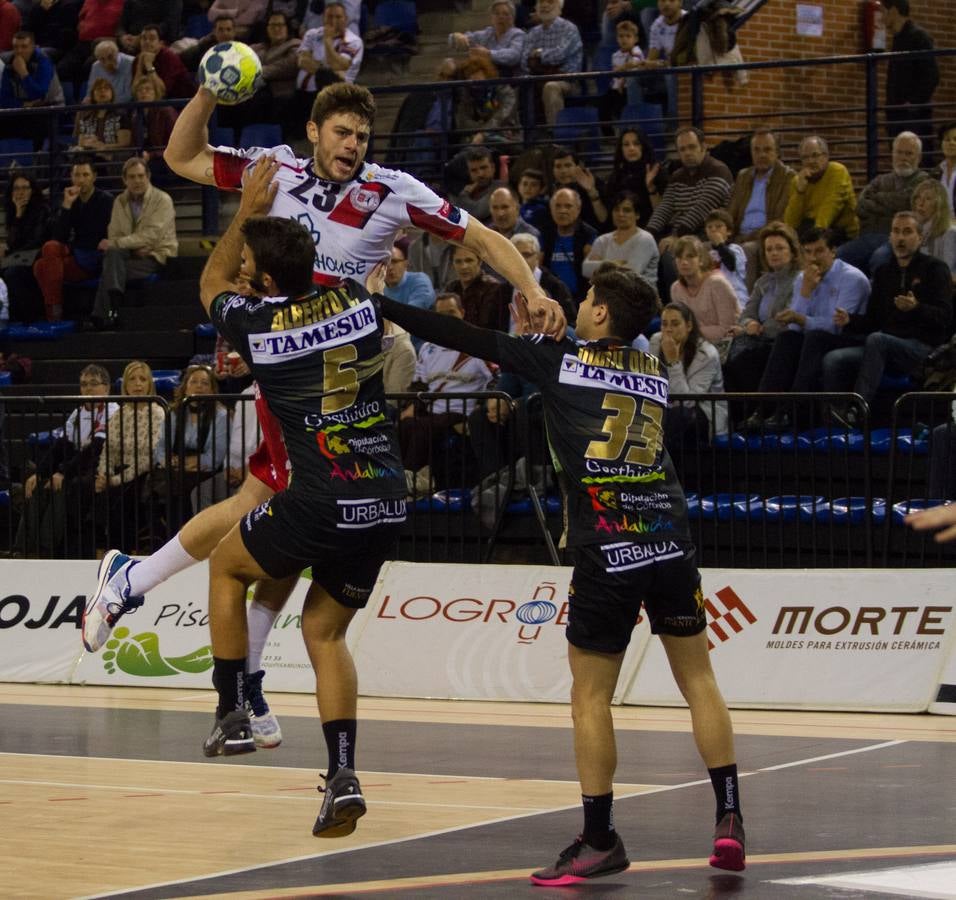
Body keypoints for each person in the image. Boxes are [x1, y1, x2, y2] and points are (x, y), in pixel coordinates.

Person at [82, 80, 565, 741]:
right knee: (277, 498)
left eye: (362, 136)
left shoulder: (392, 189)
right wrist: (205, 91)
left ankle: (157, 598)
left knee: (281, 506)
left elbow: (481, 234)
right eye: (342, 132)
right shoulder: (273, 167)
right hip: (292, 363)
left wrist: (531, 286)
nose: (353, 145)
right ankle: (173, 615)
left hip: (341, 368)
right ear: (314, 131)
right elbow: (181, 158)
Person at [376, 266, 746, 884]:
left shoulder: (559, 360)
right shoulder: (652, 370)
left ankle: (599, 839)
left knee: (590, 697)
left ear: (600, 314)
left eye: (588, 301)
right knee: (700, 680)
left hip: (607, 546)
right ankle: (729, 819)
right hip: (669, 538)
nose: (578, 307)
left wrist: (381, 305)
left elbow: (460, 333)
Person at [826, 212, 952, 429]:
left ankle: (857, 410)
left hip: (922, 349)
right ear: (889, 237)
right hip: (884, 347)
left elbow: (945, 318)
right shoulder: (884, 272)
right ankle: (830, 421)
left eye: (907, 232)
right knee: (834, 359)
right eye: (895, 231)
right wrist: (850, 320)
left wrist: (917, 308)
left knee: (877, 340)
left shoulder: (935, 269)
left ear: (920, 238)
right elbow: (873, 320)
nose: (900, 238)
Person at [745, 227, 870, 431]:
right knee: (787, 338)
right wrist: (805, 293)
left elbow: (837, 326)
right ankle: (763, 409)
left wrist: (803, 319)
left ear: (833, 251)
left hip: (850, 337)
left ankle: (791, 411)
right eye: (808, 252)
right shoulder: (803, 279)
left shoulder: (852, 279)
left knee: (814, 338)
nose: (813, 258)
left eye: (819, 251)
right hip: (817, 336)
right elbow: (793, 325)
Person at [14, 364, 117, 558]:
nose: (88, 389)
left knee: (63, 489)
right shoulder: (78, 413)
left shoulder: (112, 411)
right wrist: (40, 474)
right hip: (74, 465)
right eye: (84, 384)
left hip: (96, 467)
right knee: (36, 485)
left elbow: (94, 451)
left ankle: (46, 549)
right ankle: (23, 548)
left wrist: (63, 473)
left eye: (93, 384)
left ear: (107, 388)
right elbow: (61, 447)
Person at [90, 155, 177, 329]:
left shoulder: (162, 200)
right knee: (113, 260)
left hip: (156, 257)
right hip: (128, 257)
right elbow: (113, 234)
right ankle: (111, 310)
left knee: (111, 265)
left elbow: (152, 236)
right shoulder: (119, 202)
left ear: (148, 176)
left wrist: (121, 244)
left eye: (140, 176)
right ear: (124, 180)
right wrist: (130, 246)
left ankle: (103, 315)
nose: (137, 181)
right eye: (132, 177)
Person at [93, 360, 164, 554]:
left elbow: (148, 457)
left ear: (150, 384)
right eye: (132, 379)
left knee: (119, 497)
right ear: (125, 385)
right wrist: (103, 474)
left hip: (143, 472)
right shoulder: (119, 414)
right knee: (83, 488)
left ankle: (121, 552)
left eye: (142, 379)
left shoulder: (158, 413)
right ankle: (89, 552)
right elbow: (109, 450)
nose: (138, 384)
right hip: (117, 472)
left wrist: (114, 480)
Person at [723, 221, 801, 395]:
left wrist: (756, 329)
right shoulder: (763, 282)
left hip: (781, 342)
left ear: (792, 251)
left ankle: (758, 412)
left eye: (780, 248)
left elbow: (786, 319)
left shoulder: (799, 280)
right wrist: (749, 323)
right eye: (769, 249)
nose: (774, 253)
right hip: (758, 339)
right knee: (724, 361)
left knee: (744, 360)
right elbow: (745, 315)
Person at [33, 156, 113, 322]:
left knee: (41, 267)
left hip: (95, 257)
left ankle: (53, 313)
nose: (81, 180)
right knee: (49, 248)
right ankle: (56, 309)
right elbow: (58, 236)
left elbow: (108, 234)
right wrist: (67, 205)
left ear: (94, 177)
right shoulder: (70, 199)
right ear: (71, 177)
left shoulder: (106, 200)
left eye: (85, 175)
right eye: (77, 175)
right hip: (75, 253)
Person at [836, 131, 928, 275]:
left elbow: (906, 203)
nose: (903, 158)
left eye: (909, 154)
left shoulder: (924, 182)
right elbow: (860, 206)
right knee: (838, 256)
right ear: (892, 154)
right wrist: (891, 206)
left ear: (919, 157)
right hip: (868, 236)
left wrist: (877, 199)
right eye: (899, 152)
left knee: (880, 258)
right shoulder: (880, 180)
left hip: (895, 239)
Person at [152, 363, 229, 532]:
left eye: (204, 383)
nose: (199, 386)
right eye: (194, 381)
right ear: (185, 387)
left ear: (212, 390)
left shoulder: (220, 415)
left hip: (204, 473)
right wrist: (169, 460)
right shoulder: (173, 413)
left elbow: (215, 458)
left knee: (185, 489)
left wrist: (185, 463)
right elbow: (160, 448)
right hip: (175, 470)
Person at [650, 299, 727, 451]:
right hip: (668, 409)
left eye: (675, 324)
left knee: (679, 416)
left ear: (689, 326)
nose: (668, 330)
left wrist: (673, 362)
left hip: (703, 414)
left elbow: (688, 401)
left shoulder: (707, 354)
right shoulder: (656, 341)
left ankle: (661, 467)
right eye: (664, 324)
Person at [726, 126, 794, 286]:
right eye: (756, 150)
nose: (761, 155)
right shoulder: (743, 176)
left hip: (766, 237)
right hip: (737, 237)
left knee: (745, 251)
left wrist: (745, 239)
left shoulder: (788, 177)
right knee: (703, 248)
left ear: (777, 152)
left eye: (767, 149)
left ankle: (746, 304)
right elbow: (731, 213)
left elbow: (779, 219)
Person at [882, 0, 938, 147]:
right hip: (898, 115)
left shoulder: (919, 37)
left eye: (884, 11)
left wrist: (913, 103)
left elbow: (931, 75)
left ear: (893, 11)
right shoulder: (898, 38)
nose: (882, 17)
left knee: (918, 158)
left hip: (914, 117)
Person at [784, 136, 859, 244]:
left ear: (826, 156)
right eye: (805, 157)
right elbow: (790, 223)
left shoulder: (837, 171)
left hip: (841, 232)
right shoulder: (798, 180)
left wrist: (814, 239)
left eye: (815, 155)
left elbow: (830, 208)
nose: (810, 161)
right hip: (809, 231)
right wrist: (800, 191)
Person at [519, 0, 583, 126]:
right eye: (541, 2)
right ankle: (521, 135)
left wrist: (538, 53)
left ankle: (557, 136)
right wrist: (540, 59)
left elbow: (560, 55)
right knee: (514, 86)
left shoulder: (569, 28)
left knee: (551, 86)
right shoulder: (533, 32)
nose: (544, 5)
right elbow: (524, 61)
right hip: (537, 79)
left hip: (567, 80)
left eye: (550, 1)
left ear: (559, 8)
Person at [669, 235, 737, 347]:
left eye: (690, 257)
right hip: (692, 344)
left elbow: (728, 329)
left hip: (723, 346)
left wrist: (690, 333)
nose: (684, 262)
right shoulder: (676, 288)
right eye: (679, 257)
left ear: (700, 260)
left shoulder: (717, 284)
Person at [1, 170, 50, 323]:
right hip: (17, 257)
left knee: (12, 273)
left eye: (25, 188)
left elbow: (36, 240)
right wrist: (18, 214)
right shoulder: (11, 212)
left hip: (36, 256)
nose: (20, 192)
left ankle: (25, 318)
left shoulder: (42, 210)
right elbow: (12, 241)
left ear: (32, 190)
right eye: (16, 188)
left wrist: (10, 254)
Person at [582, 190, 658, 285]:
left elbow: (631, 272)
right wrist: (618, 264)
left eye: (627, 210)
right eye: (616, 209)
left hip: (640, 297)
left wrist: (601, 265)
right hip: (608, 296)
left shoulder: (645, 239)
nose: (620, 214)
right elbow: (586, 269)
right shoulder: (603, 240)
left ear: (637, 215)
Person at [0, 30, 58, 148]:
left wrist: (23, 73)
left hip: (49, 108)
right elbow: (3, 99)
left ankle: (38, 160)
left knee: (39, 121)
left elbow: (38, 95)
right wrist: (23, 104)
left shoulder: (44, 61)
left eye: (24, 47)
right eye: (16, 47)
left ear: (33, 47)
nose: (19, 51)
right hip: (22, 108)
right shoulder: (9, 64)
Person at [541, 187, 597, 302]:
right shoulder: (545, 234)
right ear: (551, 209)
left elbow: (591, 275)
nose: (562, 210)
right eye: (558, 206)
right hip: (551, 298)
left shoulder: (589, 234)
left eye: (568, 206)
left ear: (578, 209)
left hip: (581, 300)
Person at [604, 126, 663, 232]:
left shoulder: (656, 171)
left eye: (636, 144)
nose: (631, 148)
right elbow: (608, 217)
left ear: (643, 146)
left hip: (650, 230)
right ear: (621, 149)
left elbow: (662, 213)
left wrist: (651, 188)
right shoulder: (616, 176)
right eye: (626, 144)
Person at [448, 0, 525, 77]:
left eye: (505, 14)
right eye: (496, 13)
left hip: (507, 77)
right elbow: (455, 40)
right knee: (448, 64)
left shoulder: (518, 34)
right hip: (484, 75)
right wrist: (457, 36)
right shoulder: (487, 33)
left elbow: (514, 56)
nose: (500, 17)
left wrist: (488, 54)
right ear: (492, 17)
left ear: (512, 18)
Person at [131, 74, 178, 182]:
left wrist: (152, 155)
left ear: (156, 92)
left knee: (148, 170)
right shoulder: (136, 115)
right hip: (146, 158)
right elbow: (135, 143)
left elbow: (176, 145)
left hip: (167, 159)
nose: (143, 92)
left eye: (148, 89)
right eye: (140, 90)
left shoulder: (166, 112)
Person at [72, 77, 132, 158]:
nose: (102, 91)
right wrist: (89, 144)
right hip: (90, 154)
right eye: (99, 89)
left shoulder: (120, 115)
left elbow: (125, 143)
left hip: (112, 154)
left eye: (106, 88)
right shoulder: (86, 116)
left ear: (112, 93)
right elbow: (81, 142)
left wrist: (103, 147)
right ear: (93, 94)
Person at [132, 23, 195, 100]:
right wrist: (140, 65)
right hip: (152, 103)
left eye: (152, 38)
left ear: (160, 43)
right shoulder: (138, 59)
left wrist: (149, 65)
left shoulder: (169, 57)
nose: (147, 42)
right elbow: (134, 91)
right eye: (144, 38)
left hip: (180, 102)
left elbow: (162, 91)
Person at [912, 179, 956, 281]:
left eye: (928, 199)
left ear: (939, 205)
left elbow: (946, 271)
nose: (920, 203)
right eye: (918, 197)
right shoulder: (914, 229)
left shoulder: (949, 233)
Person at [451, 146, 506, 226]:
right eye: (474, 170)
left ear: (493, 168)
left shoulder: (500, 188)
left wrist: (464, 195)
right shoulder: (470, 190)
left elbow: (477, 212)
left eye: (483, 168)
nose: (480, 174)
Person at [704, 209, 747, 309]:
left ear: (729, 231)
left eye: (718, 226)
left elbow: (731, 264)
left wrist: (720, 244)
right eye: (709, 227)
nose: (713, 230)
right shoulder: (707, 255)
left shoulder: (736, 249)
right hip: (714, 299)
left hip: (736, 297)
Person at [86, 38, 135, 104]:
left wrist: (108, 104)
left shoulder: (131, 63)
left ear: (117, 53)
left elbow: (129, 95)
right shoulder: (96, 66)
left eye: (110, 57)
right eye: (102, 59)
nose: (107, 63)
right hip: (103, 106)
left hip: (125, 107)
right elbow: (90, 93)